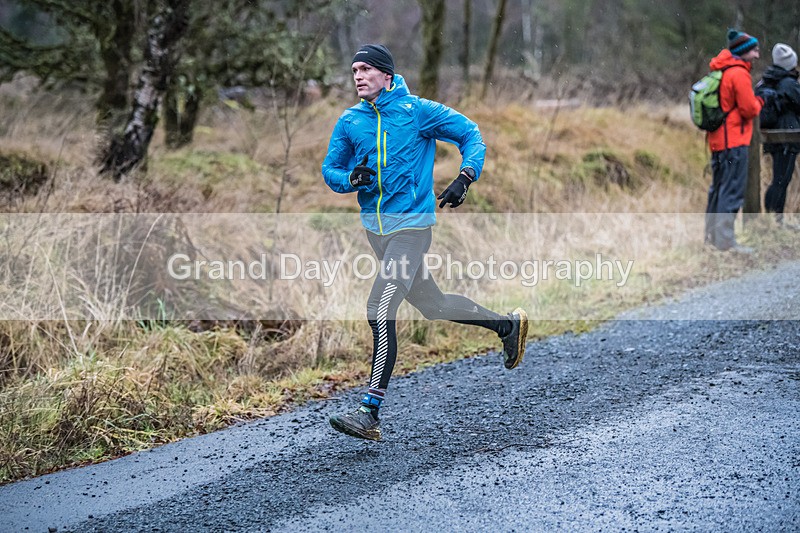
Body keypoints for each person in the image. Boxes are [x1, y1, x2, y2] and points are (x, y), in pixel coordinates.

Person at [321, 44, 528, 441]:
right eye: (354, 70)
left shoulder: (417, 112)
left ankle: (369, 412)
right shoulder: (350, 122)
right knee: (432, 305)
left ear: (386, 74)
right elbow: (331, 169)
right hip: (376, 232)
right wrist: (351, 180)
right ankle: (507, 326)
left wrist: (466, 176)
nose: (358, 76)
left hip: (412, 229)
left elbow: (470, 134)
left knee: (379, 309)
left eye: (366, 69)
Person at [704, 29, 764, 252]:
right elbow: (749, 109)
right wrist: (760, 102)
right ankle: (727, 243)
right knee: (732, 191)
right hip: (734, 141)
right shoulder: (738, 74)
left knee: (718, 189)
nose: (757, 55)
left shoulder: (721, 70)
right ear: (743, 51)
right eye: (754, 50)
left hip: (718, 141)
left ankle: (712, 239)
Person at [761, 43, 800, 226]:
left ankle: (774, 219)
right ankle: (776, 220)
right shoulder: (789, 84)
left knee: (779, 178)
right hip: (787, 136)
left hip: (774, 135)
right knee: (781, 179)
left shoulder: (769, 80)